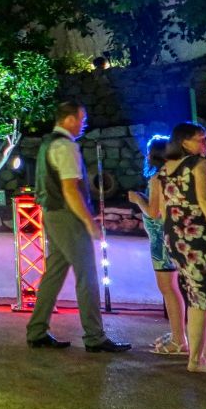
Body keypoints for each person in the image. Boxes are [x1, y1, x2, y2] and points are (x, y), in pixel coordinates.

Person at [25, 100, 131, 354]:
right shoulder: (66, 146)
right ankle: (94, 336)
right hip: (67, 216)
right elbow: (70, 189)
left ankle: (37, 331)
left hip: (51, 213)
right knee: (87, 276)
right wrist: (89, 221)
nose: (84, 124)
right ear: (69, 119)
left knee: (54, 272)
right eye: (82, 119)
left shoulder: (47, 143)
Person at [157, 122, 206, 374]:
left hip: (175, 236)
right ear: (184, 142)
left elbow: (164, 208)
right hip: (197, 235)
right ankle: (196, 360)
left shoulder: (165, 168)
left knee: (195, 293)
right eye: (200, 139)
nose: (205, 144)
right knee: (201, 298)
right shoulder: (199, 165)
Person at [127, 135, 187, 355]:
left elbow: (154, 212)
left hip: (161, 241)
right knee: (172, 289)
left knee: (168, 289)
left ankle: (179, 340)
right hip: (171, 237)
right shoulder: (173, 175)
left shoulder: (157, 178)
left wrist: (137, 199)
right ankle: (177, 333)